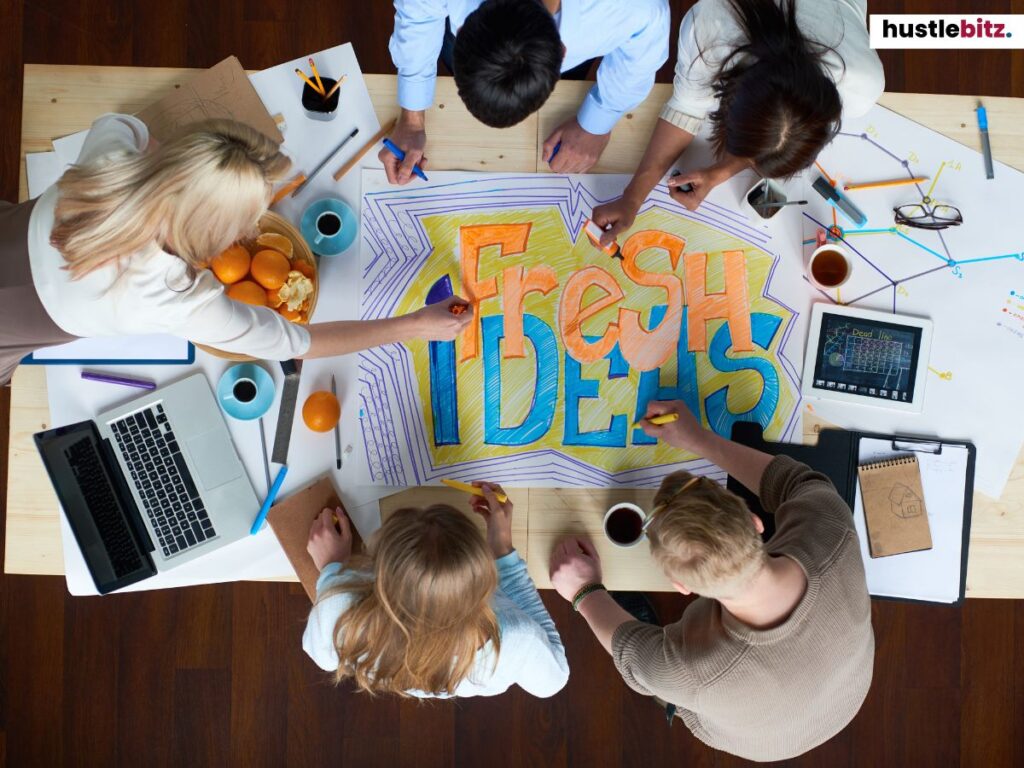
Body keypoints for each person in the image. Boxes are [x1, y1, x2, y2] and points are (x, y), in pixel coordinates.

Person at [0, 113, 470, 384]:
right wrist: (413, 326)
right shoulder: (181, 300)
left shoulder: (111, 162)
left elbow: (125, 125)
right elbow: (299, 343)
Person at [549, 400, 874, 761]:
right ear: (755, 521)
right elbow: (796, 481)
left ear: (680, 586)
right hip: (848, 692)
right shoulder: (832, 528)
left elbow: (633, 654)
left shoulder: (691, 671)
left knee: (672, 687)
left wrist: (585, 592)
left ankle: (672, 703)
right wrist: (699, 438)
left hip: (762, 742)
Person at [591, 0, 885, 246]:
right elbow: (685, 108)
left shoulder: (861, 84)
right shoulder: (711, 25)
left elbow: (691, 107)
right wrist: (632, 198)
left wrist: (721, 170)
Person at [303, 483, 569, 698]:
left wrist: (331, 568)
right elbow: (552, 681)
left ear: (378, 572)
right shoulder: (515, 640)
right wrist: (503, 553)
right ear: (484, 580)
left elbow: (323, 658)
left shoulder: (339, 609)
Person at [381, 0, 670, 183]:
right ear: (465, 27)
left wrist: (597, 123)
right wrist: (412, 118)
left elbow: (640, 57)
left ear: (562, 51)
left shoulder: (633, 7)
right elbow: (419, 16)